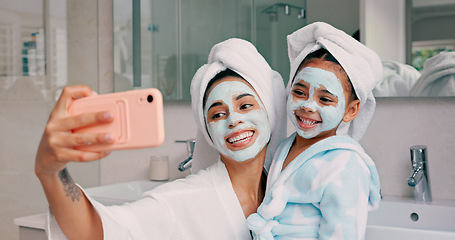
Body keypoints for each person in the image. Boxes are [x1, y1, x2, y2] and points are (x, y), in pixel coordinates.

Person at [35, 38, 287, 239]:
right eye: (217, 114)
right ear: (208, 132)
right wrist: (51, 173)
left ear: (270, 111)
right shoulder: (184, 201)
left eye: (245, 106)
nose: (233, 120)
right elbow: (97, 232)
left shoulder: (286, 191)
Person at [246, 22, 382, 239]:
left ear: (351, 110)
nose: (308, 106)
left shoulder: (345, 164)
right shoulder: (285, 146)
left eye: (325, 99)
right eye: (299, 92)